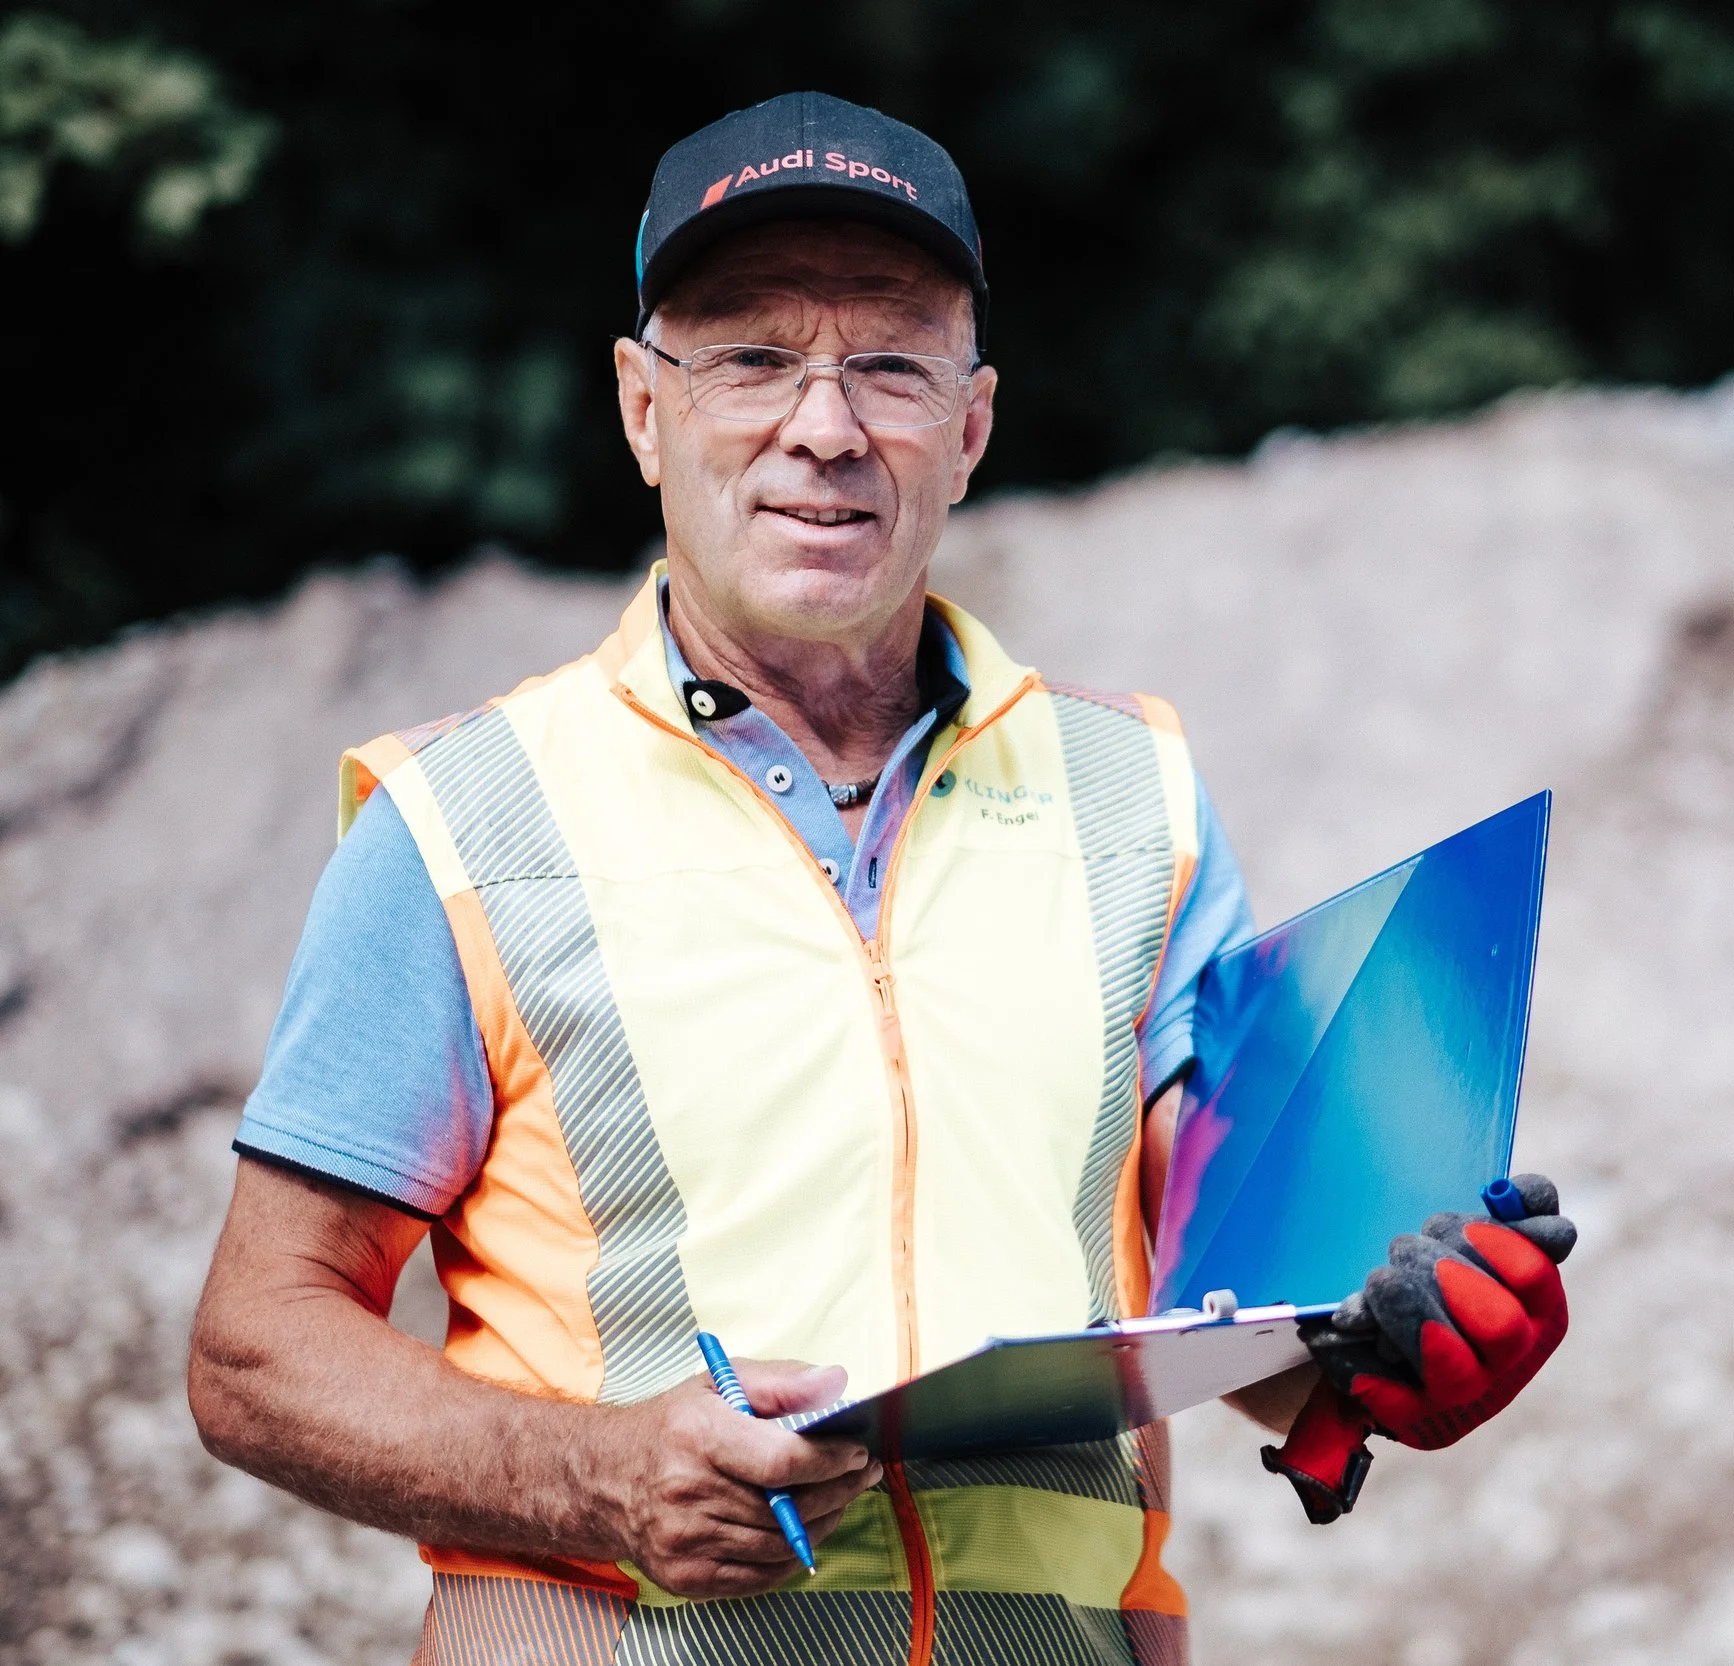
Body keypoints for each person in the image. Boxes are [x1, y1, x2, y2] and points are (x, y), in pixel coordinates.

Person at [187, 91, 1574, 1666]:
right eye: (754, 356)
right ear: (644, 410)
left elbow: (1227, 1310)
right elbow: (256, 1346)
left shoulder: (1133, 799)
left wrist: (1386, 1344)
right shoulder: (467, 822)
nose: (826, 427)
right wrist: (597, 1478)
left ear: (971, 426)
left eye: (892, 363)